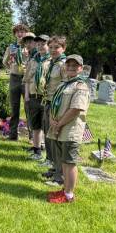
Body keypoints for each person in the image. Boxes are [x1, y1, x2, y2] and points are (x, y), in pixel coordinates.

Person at [47, 54, 90, 204]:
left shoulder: (81, 86)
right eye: (69, 65)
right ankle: (64, 189)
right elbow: (54, 105)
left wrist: (59, 124)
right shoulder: (63, 84)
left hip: (70, 129)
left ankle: (69, 195)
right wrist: (52, 119)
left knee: (70, 162)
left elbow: (76, 109)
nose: (71, 68)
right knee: (63, 161)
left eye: (75, 66)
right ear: (65, 67)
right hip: (58, 128)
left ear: (81, 68)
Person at [41, 35, 67, 183]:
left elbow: (65, 86)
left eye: (56, 47)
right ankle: (54, 167)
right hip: (48, 101)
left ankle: (60, 175)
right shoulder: (51, 63)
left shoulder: (63, 64)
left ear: (63, 48)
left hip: (57, 105)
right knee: (49, 138)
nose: (53, 50)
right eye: (50, 47)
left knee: (56, 140)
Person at [23, 35, 52, 160]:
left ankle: (49, 154)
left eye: (43, 44)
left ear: (49, 45)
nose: (40, 47)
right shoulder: (33, 60)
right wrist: (27, 95)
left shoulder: (52, 61)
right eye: (38, 44)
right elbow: (27, 79)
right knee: (35, 125)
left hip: (46, 98)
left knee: (47, 126)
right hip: (34, 97)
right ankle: (36, 150)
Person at [2, 24, 30, 141]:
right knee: (14, 107)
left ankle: (33, 136)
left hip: (26, 79)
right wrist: (11, 67)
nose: (20, 34)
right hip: (14, 78)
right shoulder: (11, 47)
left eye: (22, 31)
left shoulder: (29, 47)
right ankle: (13, 134)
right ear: (14, 34)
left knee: (29, 106)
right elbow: (5, 61)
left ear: (26, 33)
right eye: (17, 32)